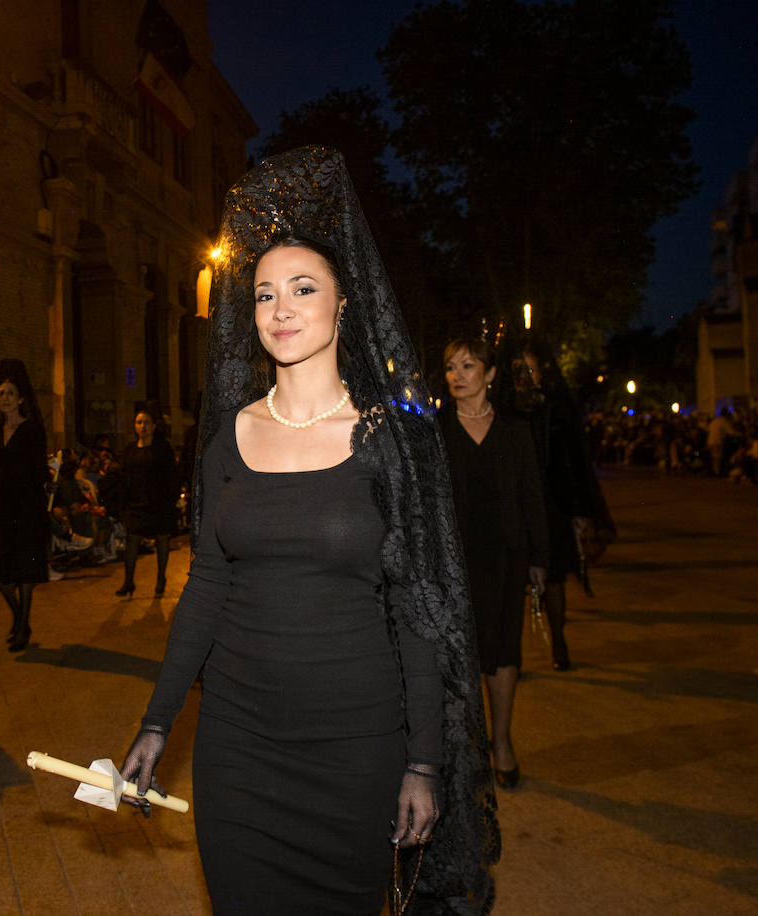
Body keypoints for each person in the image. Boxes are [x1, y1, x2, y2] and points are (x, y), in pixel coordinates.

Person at [119, 148, 497, 913]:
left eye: (302, 288)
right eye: (263, 294)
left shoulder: (394, 440)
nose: (280, 309)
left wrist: (424, 761)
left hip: (354, 752)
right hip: (238, 750)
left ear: (344, 303)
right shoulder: (229, 436)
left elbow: (417, 612)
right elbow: (207, 587)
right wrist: (158, 721)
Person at [439, 337, 548, 791]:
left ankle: (501, 742)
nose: (458, 375)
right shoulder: (436, 430)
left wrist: (540, 558)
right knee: (460, 656)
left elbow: (532, 497)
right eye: (450, 367)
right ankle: (467, 748)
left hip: (505, 557)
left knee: (503, 654)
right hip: (455, 563)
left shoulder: (514, 431)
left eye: (468, 365)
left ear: (490, 374)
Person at [511, 349, 598, 671]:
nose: (525, 376)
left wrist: (578, 513)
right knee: (513, 582)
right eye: (519, 370)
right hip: (517, 507)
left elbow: (572, 465)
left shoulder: (556, 413)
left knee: (555, 578)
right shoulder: (506, 412)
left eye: (530, 370)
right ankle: (511, 656)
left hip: (552, 507)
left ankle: (558, 640)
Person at [0, 358, 51, 652]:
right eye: (0, 394)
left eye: (10, 393)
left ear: (21, 398)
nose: (5, 398)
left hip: (27, 508)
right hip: (2, 508)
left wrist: (48, 488)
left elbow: (39, 470)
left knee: (24, 570)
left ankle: (22, 628)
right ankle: (20, 618)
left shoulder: (32, 430)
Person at [113, 410, 179, 597]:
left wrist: (170, 500)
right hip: (137, 502)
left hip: (159, 502)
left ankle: (160, 578)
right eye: (139, 422)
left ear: (153, 425)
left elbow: (170, 476)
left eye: (146, 422)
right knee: (132, 539)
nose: (142, 426)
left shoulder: (163, 448)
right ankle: (128, 581)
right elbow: (125, 477)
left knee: (162, 540)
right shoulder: (130, 449)